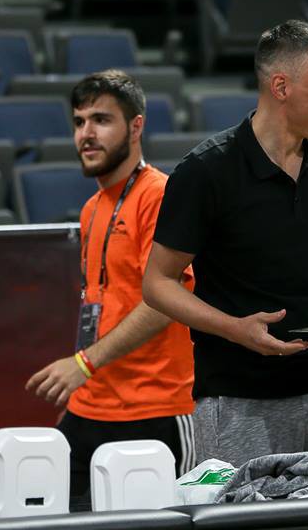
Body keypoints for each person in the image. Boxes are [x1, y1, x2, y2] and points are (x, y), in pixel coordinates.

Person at [142, 20, 308, 483]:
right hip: (240, 399)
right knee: (249, 516)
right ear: (281, 87)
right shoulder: (206, 171)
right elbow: (158, 283)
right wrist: (234, 328)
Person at [25, 70, 195, 500]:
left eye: (101, 120)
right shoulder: (90, 209)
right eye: (79, 122)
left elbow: (167, 301)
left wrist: (83, 364)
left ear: (136, 127)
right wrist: (83, 384)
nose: (86, 133)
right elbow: (102, 304)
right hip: (91, 405)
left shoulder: (160, 195)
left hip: (156, 409)